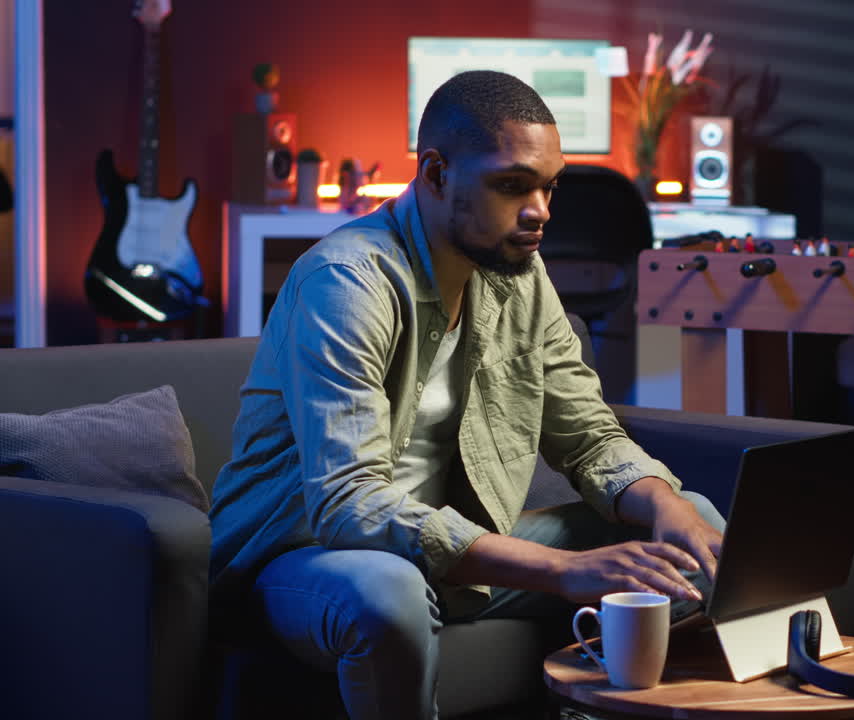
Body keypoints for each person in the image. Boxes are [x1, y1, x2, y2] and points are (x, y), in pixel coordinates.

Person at [208, 70, 725, 719]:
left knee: (694, 530)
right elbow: (349, 506)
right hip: (308, 558)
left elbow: (587, 433)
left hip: (455, 553)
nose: (540, 210)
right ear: (435, 173)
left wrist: (664, 503)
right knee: (388, 589)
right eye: (512, 185)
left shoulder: (519, 271)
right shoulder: (346, 283)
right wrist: (563, 570)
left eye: (548, 185)